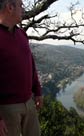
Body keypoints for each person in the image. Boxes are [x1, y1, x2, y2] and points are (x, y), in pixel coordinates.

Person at [0, 0, 43, 135]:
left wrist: (38, 91)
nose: (23, 9)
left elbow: (30, 64)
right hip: (7, 109)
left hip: (28, 102)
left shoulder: (22, 34)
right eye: (20, 5)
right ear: (10, 7)